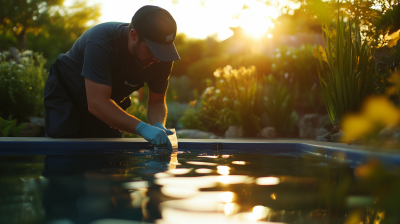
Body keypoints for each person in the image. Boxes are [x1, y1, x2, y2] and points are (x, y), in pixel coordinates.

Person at [44, 5, 180, 149]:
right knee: (64, 153)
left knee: (109, 159)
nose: (158, 59)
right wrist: (143, 128)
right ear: (134, 35)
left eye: (163, 51)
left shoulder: (162, 58)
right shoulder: (101, 41)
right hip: (68, 92)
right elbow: (96, 103)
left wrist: (159, 125)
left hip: (108, 99)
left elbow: (156, 102)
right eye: (152, 49)